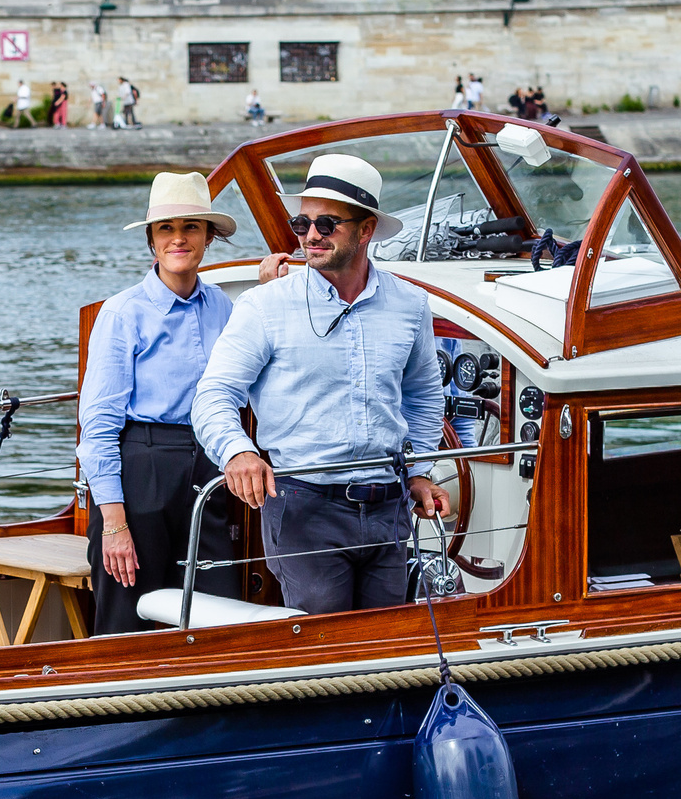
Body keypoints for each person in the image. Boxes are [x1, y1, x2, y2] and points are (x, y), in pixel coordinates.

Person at [194, 156, 451, 616]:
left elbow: (425, 394)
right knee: (327, 651)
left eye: (327, 224)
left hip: (389, 506)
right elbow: (214, 394)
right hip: (302, 505)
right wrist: (238, 452)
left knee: (384, 651)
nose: (310, 236)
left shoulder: (411, 305)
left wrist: (419, 470)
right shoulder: (263, 305)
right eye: (302, 222)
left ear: (366, 229)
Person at [79, 173, 241, 634]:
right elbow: (98, 426)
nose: (178, 238)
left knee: (214, 614)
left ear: (209, 237)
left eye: (191, 226)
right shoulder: (121, 313)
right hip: (140, 471)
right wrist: (113, 523)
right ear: (151, 240)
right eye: (166, 228)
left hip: (208, 471)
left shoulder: (223, 308)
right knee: (128, 618)